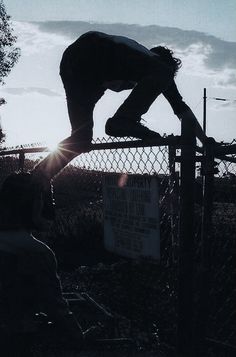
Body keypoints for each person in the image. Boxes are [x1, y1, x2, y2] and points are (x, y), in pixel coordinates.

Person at [33, 31, 206, 180]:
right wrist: (204, 141)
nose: (166, 84)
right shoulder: (157, 64)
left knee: (81, 140)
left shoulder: (135, 64)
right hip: (92, 50)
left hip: (76, 66)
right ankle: (124, 120)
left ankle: (35, 179)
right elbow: (180, 107)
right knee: (163, 74)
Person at [0, 172, 84, 354]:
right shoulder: (37, 252)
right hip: (12, 336)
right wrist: (78, 335)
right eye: (41, 199)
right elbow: (55, 307)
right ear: (31, 205)